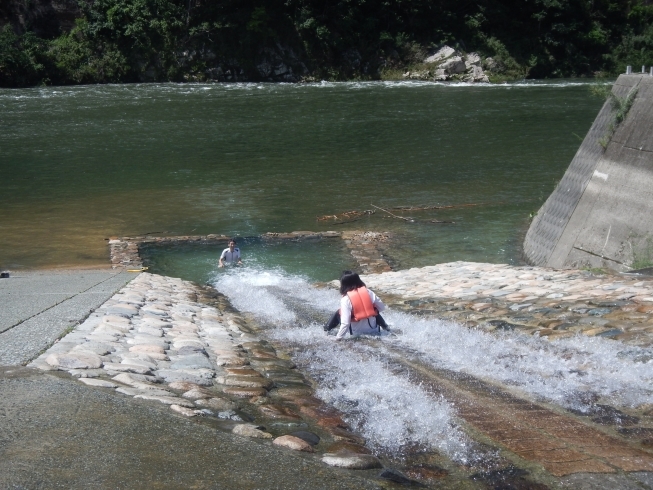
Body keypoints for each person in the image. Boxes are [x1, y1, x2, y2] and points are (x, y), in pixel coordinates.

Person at [325, 270, 389, 340]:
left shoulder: (346, 299)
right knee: (373, 310)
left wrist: (338, 338)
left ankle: (325, 330)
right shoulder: (369, 292)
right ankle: (386, 328)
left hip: (356, 333)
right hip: (374, 331)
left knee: (339, 312)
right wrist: (368, 311)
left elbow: (345, 323)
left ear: (344, 284)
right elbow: (382, 308)